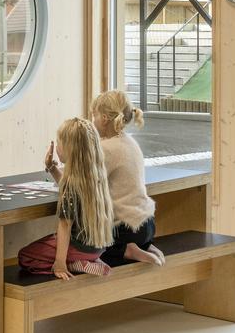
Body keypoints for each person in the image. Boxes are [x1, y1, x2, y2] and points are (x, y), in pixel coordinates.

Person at [73, 89, 167, 268]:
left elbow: (81, 183)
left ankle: (127, 250)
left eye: (94, 116)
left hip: (124, 230)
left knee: (85, 246)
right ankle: (145, 246)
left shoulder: (105, 148)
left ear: (103, 119)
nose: (92, 121)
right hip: (147, 225)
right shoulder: (130, 142)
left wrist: (57, 167)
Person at [19, 118, 114, 279]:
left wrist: (60, 262)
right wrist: (52, 167)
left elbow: (65, 225)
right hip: (97, 248)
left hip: (78, 248)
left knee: (25, 256)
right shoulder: (95, 176)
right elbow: (68, 186)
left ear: (69, 149)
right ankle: (89, 261)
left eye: (59, 143)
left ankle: (75, 264)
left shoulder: (72, 185)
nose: (57, 148)